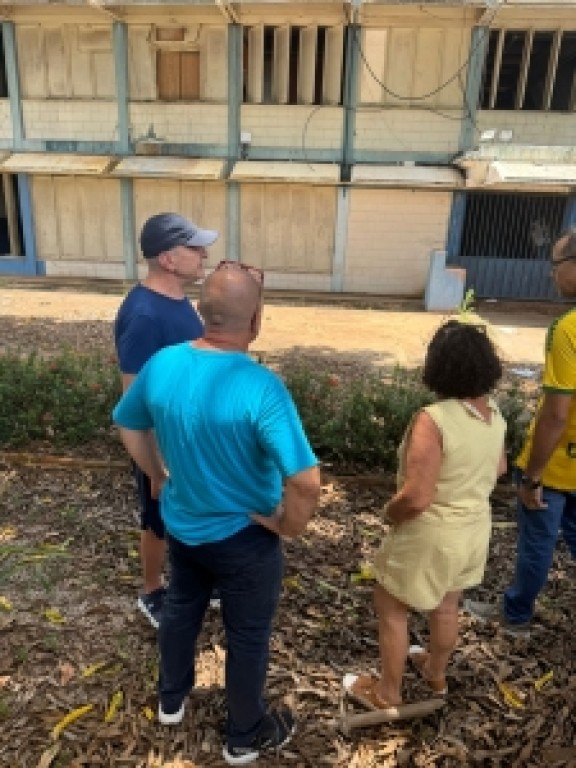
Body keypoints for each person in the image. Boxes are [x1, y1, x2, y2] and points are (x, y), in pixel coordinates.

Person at [112, 261, 321, 765]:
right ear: (256, 321)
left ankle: (171, 699)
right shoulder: (261, 388)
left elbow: (128, 423)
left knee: (182, 607)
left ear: (202, 313)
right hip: (245, 538)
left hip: (184, 526)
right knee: (247, 634)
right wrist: (287, 526)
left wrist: (157, 475)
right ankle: (244, 735)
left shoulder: (162, 364)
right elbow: (305, 482)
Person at [344, 320, 506, 712]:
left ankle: (387, 693)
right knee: (447, 604)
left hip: (432, 531)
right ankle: (435, 673)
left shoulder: (433, 419)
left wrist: (390, 512)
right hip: (473, 528)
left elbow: (417, 497)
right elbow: (500, 468)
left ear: (439, 365)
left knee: (391, 605)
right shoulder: (492, 414)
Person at [465, 227, 576, 635]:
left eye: (556, 264)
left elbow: (556, 415)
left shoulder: (568, 329)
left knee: (537, 544)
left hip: (557, 466)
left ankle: (516, 616)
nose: (551, 273)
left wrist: (532, 477)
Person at [114, 212, 218, 629]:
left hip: (189, 437)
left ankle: (196, 578)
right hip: (162, 445)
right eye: (194, 248)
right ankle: (152, 591)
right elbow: (133, 403)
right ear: (168, 259)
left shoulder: (177, 302)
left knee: (191, 509)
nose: (204, 254)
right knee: (157, 517)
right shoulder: (144, 315)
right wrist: (155, 468)